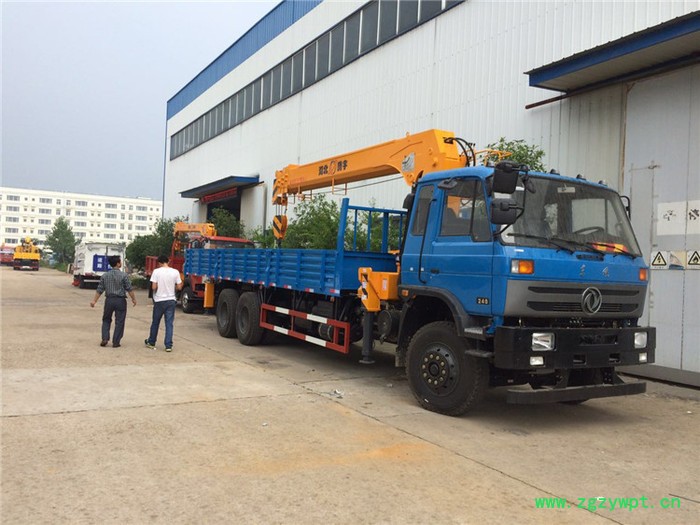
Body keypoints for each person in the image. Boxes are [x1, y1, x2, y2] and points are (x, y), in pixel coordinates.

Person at [90, 255, 137, 348]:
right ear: (118, 263)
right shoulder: (124, 275)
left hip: (109, 300)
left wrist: (94, 301)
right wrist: (133, 299)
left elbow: (100, 290)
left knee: (106, 319)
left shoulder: (105, 276)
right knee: (119, 321)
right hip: (120, 300)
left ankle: (105, 338)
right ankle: (116, 341)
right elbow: (129, 289)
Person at [145, 255, 183, 352]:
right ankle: (168, 345)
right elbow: (179, 287)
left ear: (159, 263)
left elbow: (153, 287)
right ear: (168, 261)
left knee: (155, 322)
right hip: (171, 300)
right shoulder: (175, 272)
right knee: (169, 324)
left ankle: (151, 342)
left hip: (159, 300)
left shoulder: (156, 272)